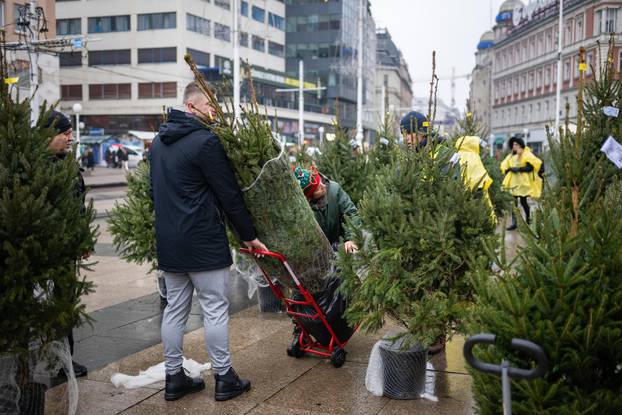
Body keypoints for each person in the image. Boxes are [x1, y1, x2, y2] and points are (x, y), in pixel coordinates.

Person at [150, 81, 267, 402]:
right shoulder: (205, 142)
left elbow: (154, 195)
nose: (215, 113)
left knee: (175, 309)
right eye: (211, 107)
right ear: (191, 107)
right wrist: (250, 236)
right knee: (215, 308)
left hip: (170, 243)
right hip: (203, 241)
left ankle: (174, 377)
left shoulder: (159, 144)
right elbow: (228, 194)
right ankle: (224, 377)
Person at [43, 110, 90, 379]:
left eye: (70, 132)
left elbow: (78, 207)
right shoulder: (38, 167)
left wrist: (82, 239)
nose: (70, 137)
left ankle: (65, 361)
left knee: (63, 302)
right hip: (45, 248)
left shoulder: (68, 165)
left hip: (66, 249)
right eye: (64, 132)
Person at [293, 166, 361, 253]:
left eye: (320, 181)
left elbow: (351, 213)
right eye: (317, 189)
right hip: (322, 255)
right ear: (309, 197)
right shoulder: (303, 210)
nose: (323, 185)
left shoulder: (334, 190)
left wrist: (351, 238)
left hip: (344, 245)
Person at [500, 136, 543, 230]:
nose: (514, 146)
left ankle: (528, 221)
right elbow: (505, 165)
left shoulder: (526, 154)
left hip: (523, 183)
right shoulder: (511, 156)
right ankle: (514, 223)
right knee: (514, 203)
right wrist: (508, 169)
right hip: (514, 184)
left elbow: (530, 167)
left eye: (516, 144)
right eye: (513, 144)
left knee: (523, 202)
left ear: (520, 145)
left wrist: (518, 169)